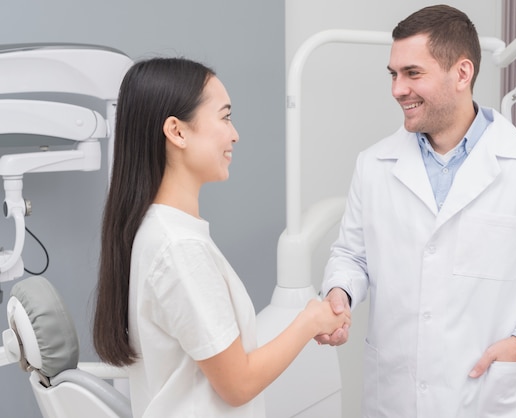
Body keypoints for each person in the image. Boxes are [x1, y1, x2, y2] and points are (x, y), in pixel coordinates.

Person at [315, 5, 516, 417]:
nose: (398, 89)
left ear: (462, 73)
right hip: (394, 398)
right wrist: (339, 293)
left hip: (484, 396)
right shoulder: (373, 164)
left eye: (413, 73)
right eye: (394, 74)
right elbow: (351, 255)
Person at [92, 57, 350, 418]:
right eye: (225, 117)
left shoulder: (156, 230)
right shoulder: (180, 249)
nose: (234, 134)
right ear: (177, 131)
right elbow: (237, 384)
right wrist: (309, 322)